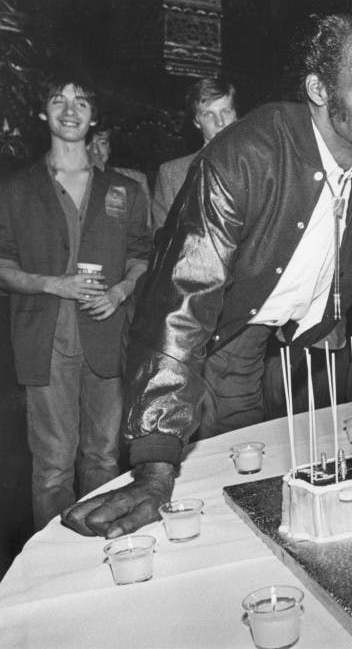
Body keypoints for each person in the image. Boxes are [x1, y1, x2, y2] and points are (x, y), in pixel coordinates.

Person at [61, 11, 352, 540]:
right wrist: (152, 468)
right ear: (318, 89)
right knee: (203, 485)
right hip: (209, 341)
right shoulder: (246, 154)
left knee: (265, 490)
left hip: (290, 345)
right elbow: (183, 302)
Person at [0, 78, 151, 529]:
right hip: (44, 342)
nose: (70, 109)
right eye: (58, 100)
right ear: (43, 114)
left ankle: (102, 556)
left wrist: (120, 291)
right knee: (52, 468)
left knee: (103, 459)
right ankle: (54, 570)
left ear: (94, 116)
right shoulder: (16, 189)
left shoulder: (123, 189)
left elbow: (142, 255)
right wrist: (53, 284)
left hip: (106, 341)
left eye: (81, 101)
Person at [150, 77, 238, 229]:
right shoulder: (172, 174)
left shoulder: (259, 167)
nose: (220, 122)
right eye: (208, 114)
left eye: (225, 111)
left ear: (236, 115)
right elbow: (163, 240)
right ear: (196, 122)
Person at [87, 124, 151, 208]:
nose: (95, 150)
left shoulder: (136, 181)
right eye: (87, 143)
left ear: (110, 148)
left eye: (103, 143)